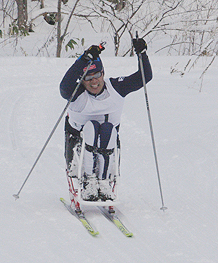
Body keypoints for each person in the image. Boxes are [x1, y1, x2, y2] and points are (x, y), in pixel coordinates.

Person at [60, 37, 152, 211]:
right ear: (82, 79)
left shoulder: (116, 87)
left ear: (103, 74)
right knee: (92, 127)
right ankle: (88, 181)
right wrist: (83, 60)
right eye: (88, 78)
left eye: (97, 76)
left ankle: (104, 182)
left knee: (107, 128)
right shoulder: (77, 93)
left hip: (107, 139)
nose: (94, 82)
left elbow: (145, 77)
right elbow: (64, 87)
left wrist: (142, 53)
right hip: (78, 140)